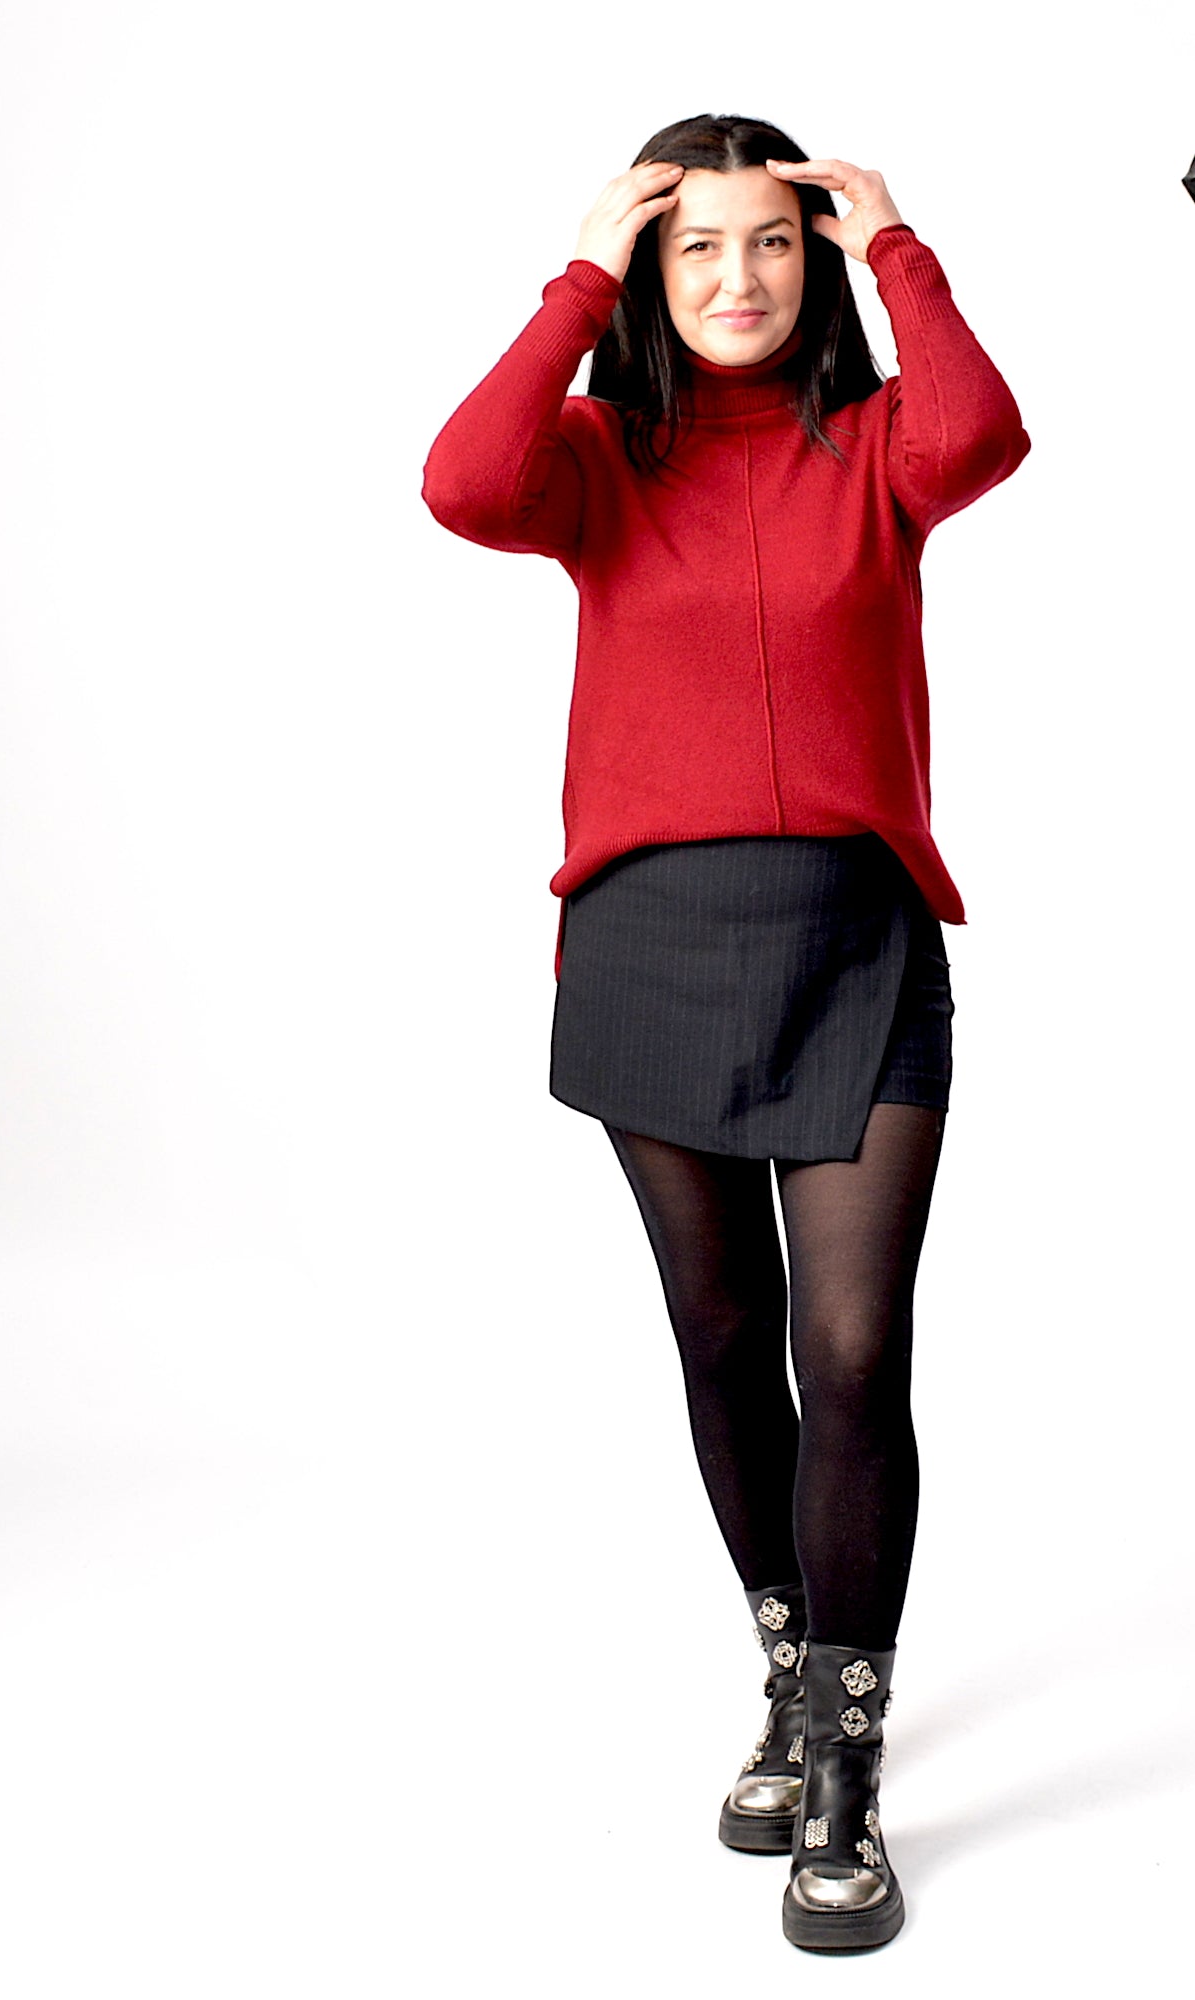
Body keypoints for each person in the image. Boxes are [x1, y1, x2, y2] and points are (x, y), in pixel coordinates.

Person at [421, 112, 1030, 1953]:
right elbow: (461, 482)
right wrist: (576, 274)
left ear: (811, 262)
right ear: (651, 271)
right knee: (720, 1335)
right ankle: (784, 1662)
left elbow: (981, 434)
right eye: (696, 246)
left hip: (854, 941)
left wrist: (897, 244)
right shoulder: (598, 456)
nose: (737, 276)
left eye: (770, 240)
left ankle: (843, 1754)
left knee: (851, 1349)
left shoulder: (876, 448)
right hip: (650, 941)